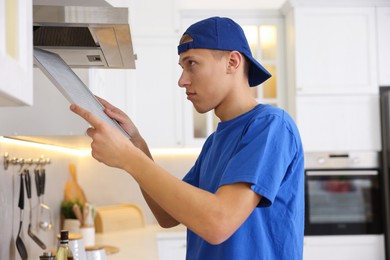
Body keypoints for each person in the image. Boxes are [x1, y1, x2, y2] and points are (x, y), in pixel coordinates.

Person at [70, 16, 304, 260]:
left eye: (191, 63)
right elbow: (167, 215)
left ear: (232, 62)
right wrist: (136, 146)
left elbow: (218, 223)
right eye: (182, 67)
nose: (182, 80)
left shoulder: (271, 125)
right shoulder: (214, 143)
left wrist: (129, 159)